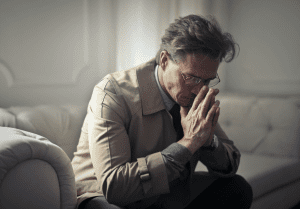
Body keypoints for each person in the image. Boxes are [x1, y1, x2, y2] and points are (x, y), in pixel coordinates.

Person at [71, 14, 253, 209]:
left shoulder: (195, 95)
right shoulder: (112, 92)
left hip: (165, 196)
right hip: (105, 198)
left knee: (238, 188)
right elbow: (115, 187)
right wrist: (188, 144)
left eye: (207, 80)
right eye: (190, 77)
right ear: (165, 60)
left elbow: (231, 164)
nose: (199, 89)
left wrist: (207, 140)